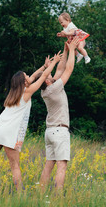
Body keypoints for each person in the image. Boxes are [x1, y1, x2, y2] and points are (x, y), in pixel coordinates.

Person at [0, 53, 61, 191]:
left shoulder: (14, 93)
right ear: (23, 82)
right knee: (15, 166)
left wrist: (44, 66)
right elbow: (43, 77)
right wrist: (54, 63)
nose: (29, 76)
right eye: (26, 75)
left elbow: (35, 76)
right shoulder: (27, 92)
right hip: (10, 132)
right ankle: (20, 194)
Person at [39, 37, 80, 190]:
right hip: (59, 131)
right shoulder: (54, 88)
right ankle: (57, 197)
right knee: (62, 166)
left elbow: (59, 69)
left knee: (49, 165)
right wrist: (71, 51)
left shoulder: (46, 90)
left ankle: (41, 193)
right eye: (47, 74)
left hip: (49, 132)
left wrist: (65, 49)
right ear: (48, 81)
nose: (49, 73)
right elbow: (68, 69)